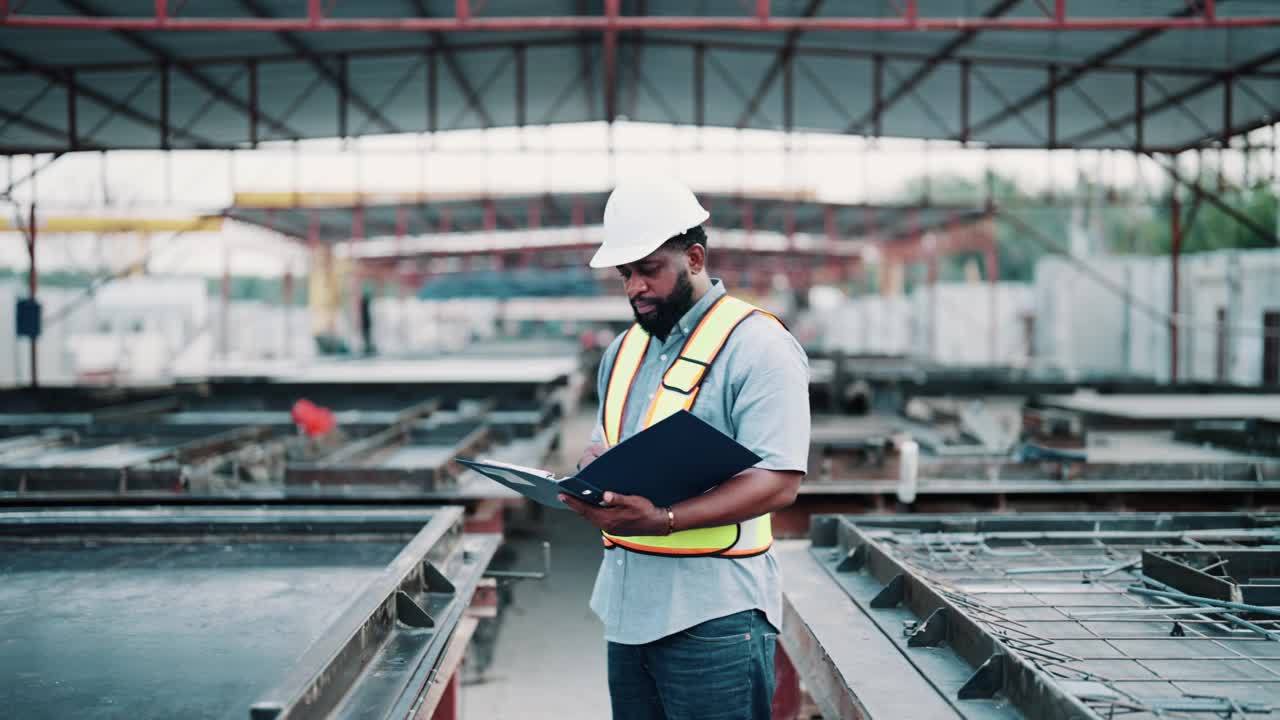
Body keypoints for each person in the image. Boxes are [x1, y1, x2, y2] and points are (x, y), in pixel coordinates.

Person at [558, 177, 810, 720]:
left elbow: (781, 480)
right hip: (627, 608)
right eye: (626, 274)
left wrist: (666, 518)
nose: (635, 288)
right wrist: (590, 467)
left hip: (716, 616)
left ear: (694, 257)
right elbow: (608, 440)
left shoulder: (758, 346)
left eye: (649, 269)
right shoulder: (622, 351)